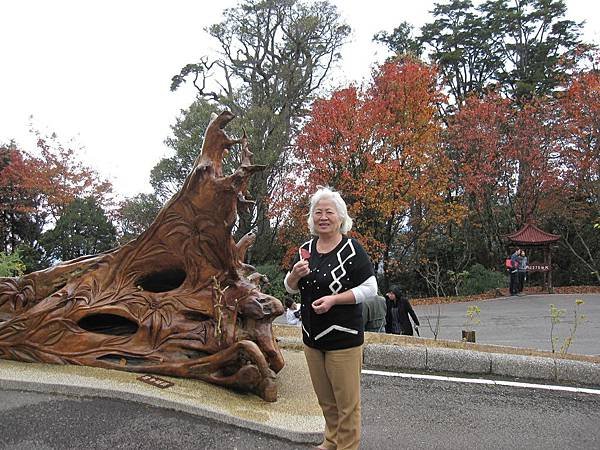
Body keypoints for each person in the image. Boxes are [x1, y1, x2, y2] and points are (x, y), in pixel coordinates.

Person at [284, 186, 377, 450]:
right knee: (326, 400)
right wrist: (294, 275)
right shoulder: (305, 249)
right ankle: (330, 441)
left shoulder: (352, 249)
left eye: (329, 212)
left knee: (347, 404)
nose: (323, 217)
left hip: (344, 338)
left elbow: (371, 289)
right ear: (311, 218)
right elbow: (290, 287)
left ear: (340, 217)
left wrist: (335, 300)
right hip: (312, 337)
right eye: (317, 212)